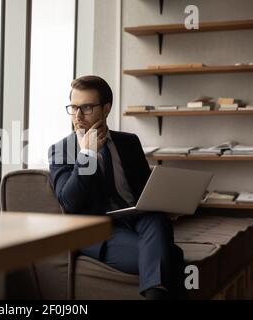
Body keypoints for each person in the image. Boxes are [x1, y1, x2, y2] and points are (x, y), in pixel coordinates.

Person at [48, 75, 186, 300]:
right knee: (172, 255)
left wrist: (168, 203)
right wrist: (88, 154)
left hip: (137, 220)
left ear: (106, 109)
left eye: (87, 107)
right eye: (73, 108)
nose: (78, 116)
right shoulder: (61, 150)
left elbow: (144, 192)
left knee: (157, 218)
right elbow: (69, 202)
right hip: (98, 232)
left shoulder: (129, 142)